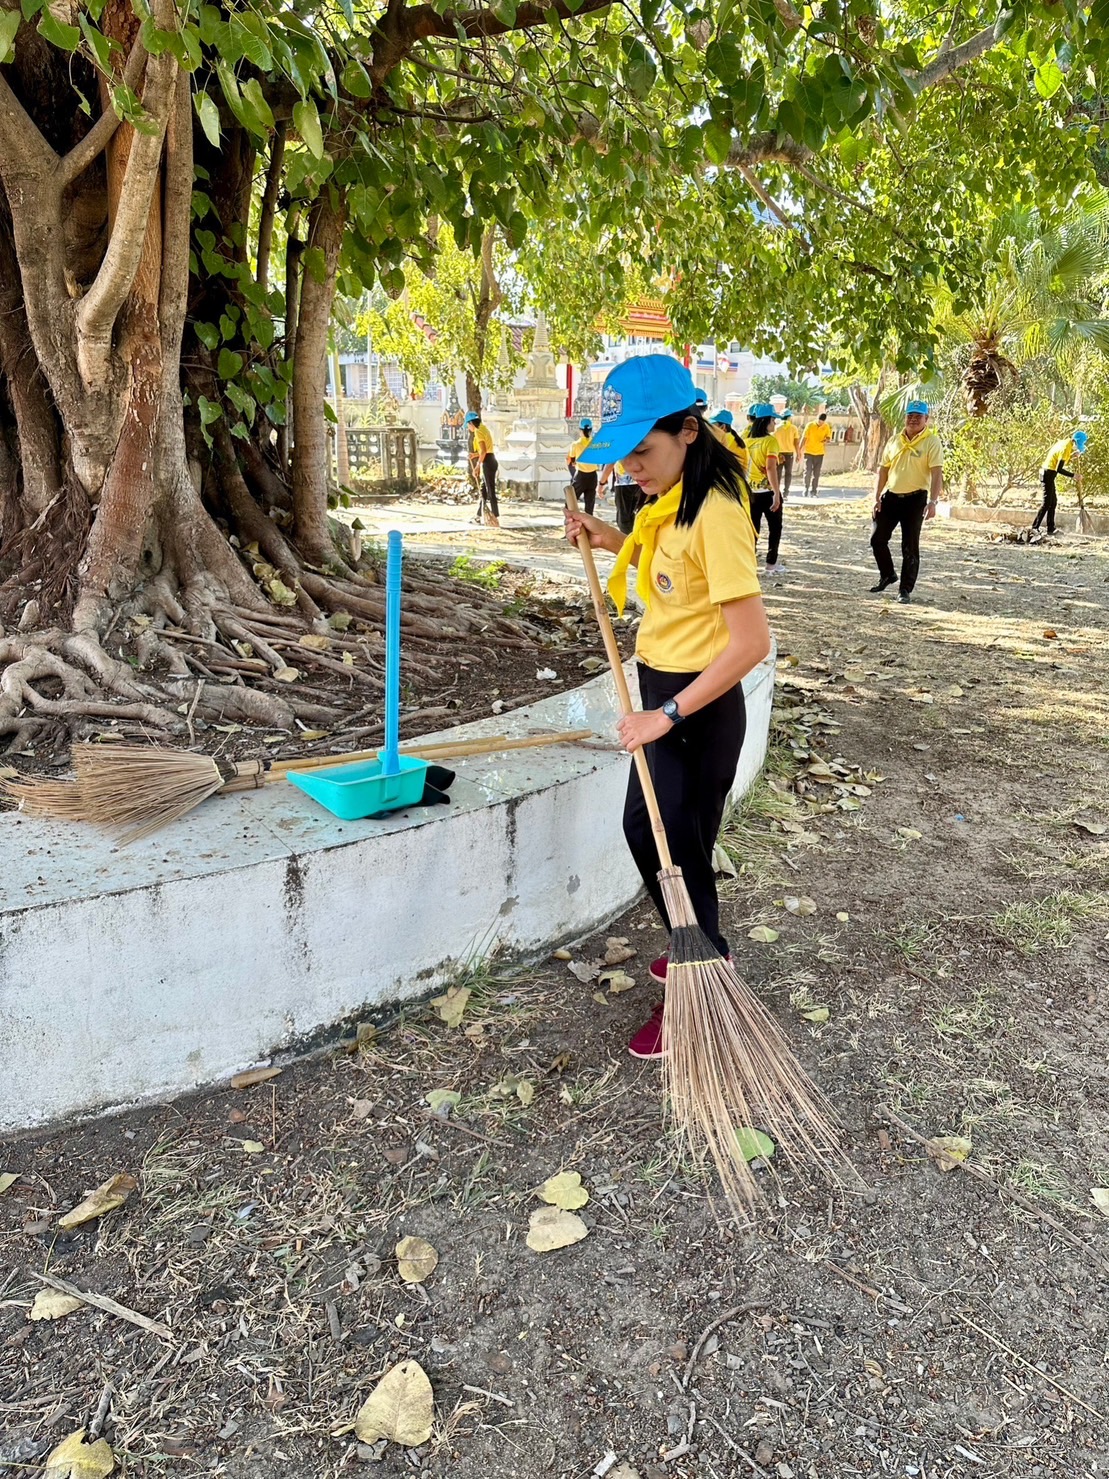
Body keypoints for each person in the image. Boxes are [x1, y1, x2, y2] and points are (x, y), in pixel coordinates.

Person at [564, 354, 770, 1060]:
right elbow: (676, 579)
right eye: (624, 455)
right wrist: (610, 539)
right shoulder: (675, 497)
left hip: (696, 709)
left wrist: (667, 714)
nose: (632, 468)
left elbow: (751, 643)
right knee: (656, 835)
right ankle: (699, 944)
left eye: (642, 451)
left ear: (687, 430)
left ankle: (700, 971)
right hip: (664, 694)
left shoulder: (717, 511)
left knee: (674, 843)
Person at [870, 399, 943, 604]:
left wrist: (933, 502)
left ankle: (905, 589)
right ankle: (887, 574)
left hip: (916, 499)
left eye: (918, 416)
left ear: (926, 419)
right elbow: (883, 470)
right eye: (910, 415)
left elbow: (937, 473)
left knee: (909, 546)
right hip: (891, 497)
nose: (913, 419)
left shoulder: (932, 442)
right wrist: (877, 497)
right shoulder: (894, 440)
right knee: (877, 539)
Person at [746, 403, 785, 575]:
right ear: (766, 421)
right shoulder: (770, 441)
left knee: (752, 530)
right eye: (773, 420)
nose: (775, 423)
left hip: (751, 493)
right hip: (768, 493)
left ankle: (749, 565)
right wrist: (776, 492)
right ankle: (771, 564)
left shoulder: (746, 441)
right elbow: (770, 468)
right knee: (775, 529)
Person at [1034, 429, 1087, 535]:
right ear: (1076, 442)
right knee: (1047, 503)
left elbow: (1060, 459)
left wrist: (1072, 456)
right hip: (1047, 474)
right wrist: (1074, 476)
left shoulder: (1066, 443)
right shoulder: (1066, 448)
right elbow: (1059, 469)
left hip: (1049, 474)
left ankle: (1051, 528)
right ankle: (1034, 527)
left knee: (1053, 502)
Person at [464, 411, 499, 527]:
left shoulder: (478, 432)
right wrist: (474, 455)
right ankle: (478, 516)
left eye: (468, 425)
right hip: (490, 459)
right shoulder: (483, 428)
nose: (468, 428)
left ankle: (495, 516)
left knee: (490, 490)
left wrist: (477, 466)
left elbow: (483, 452)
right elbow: (485, 451)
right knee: (483, 491)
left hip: (488, 462)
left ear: (471, 423)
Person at [600, 460, 644, 535]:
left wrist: (601, 483)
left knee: (624, 519)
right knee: (639, 515)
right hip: (641, 483)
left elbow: (610, 463)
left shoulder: (617, 451)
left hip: (623, 484)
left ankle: (630, 539)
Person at [567, 418, 600, 515]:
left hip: (580, 476)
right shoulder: (596, 444)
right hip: (593, 476)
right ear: (591, 430)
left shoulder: (575, 445)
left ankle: (570, 519)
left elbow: (572, 461)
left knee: (571, 501)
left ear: (580, 430)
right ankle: (588, 523)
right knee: (589, 506)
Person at [800, 411, 833, 495]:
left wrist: (826, 440)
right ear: (817, 419)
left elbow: (828, 438)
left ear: (824, 421)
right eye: (819, 421)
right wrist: (799, 449)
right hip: (809, 452)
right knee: (807, 471)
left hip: (819, 453)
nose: (820, 423)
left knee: (816, 473)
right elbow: (804, 438)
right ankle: (806, 488)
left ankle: (814, 490)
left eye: (822, 422)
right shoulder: (810, 425)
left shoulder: (826, 426)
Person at [708, 409, 749, 474]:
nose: (709, 428)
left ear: (722, 427)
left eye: (712, 426)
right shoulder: (735, 441)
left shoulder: (723, 443)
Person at [774, 409, 799, 495]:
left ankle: (776, 492)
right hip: (789, 454)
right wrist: (798, 454)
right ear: (789, 417)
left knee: (778, 474)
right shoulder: (793, 428)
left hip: (778, 454)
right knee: (788, 473)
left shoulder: (776, 428)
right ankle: (786, 492)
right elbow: (796, 443)